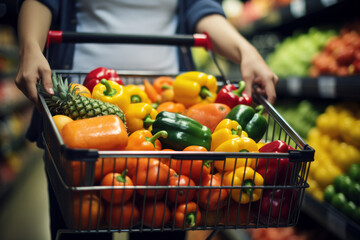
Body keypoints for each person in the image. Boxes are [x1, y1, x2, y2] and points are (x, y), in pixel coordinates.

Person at [16, 0, 279, 239]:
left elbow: (203, 8)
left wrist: (247, 52)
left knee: (159, 222)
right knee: (83, 224)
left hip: (170, 105)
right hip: (77, 102)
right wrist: (30, 46)